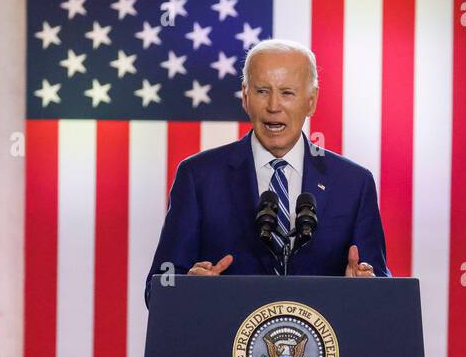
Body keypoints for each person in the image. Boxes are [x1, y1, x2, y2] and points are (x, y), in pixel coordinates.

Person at [146, 38, 389, 303]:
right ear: (245, 96)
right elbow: (159, 288)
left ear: (311, 101)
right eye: (262, 91)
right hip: (227, 342)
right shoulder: (198, 177)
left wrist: (367, 288)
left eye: (287, 93)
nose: (274, 106)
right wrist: (190, 289)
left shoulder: (353, 184)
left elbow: (381, 291)